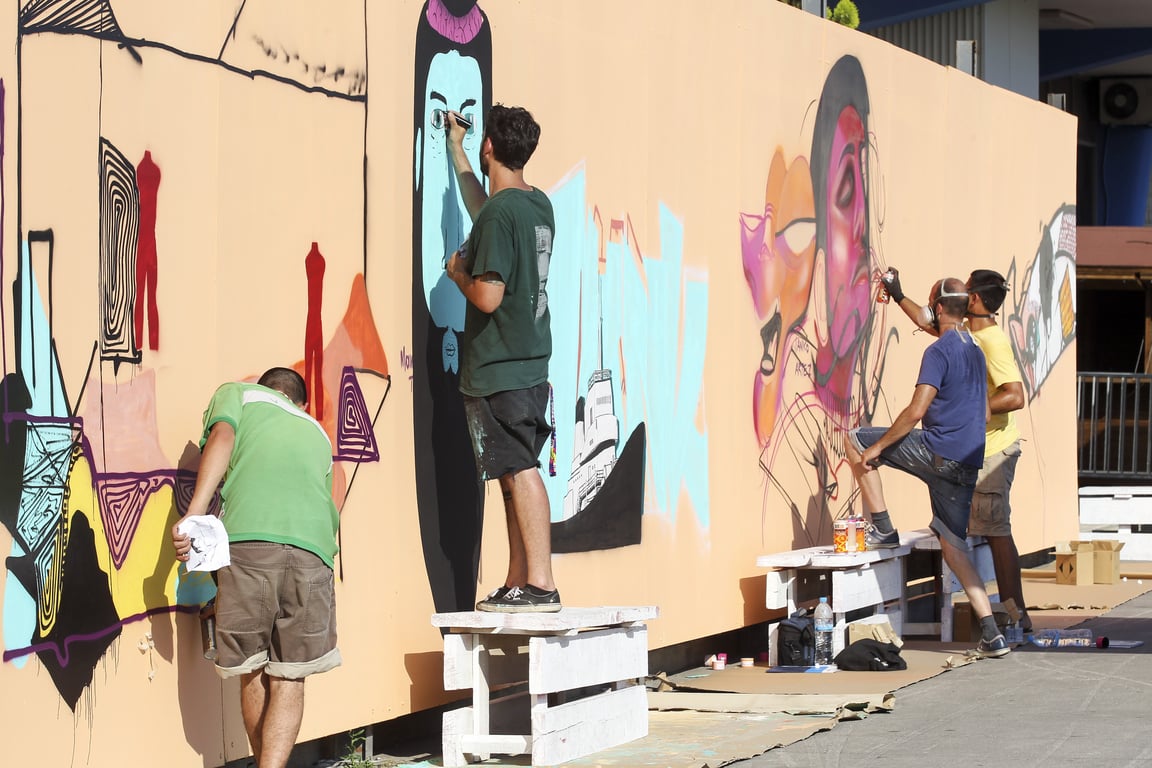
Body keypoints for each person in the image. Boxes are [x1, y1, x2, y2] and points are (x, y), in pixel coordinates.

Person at [171, 367, 341, 768]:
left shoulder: (239, 394)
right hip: (314, 553)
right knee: (290, 674)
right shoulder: (318, 432)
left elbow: (222, 437)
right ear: (300, 403)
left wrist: (194, 515)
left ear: (267, 390)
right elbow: (332, 501)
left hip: (252, 544)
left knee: (251, 668)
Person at [844, 278, 1010, 658]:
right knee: (954, 548)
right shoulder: (975, 349)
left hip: (937, 453)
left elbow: (916, 411)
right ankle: (991, 634)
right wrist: (897, 293)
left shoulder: (937, 352)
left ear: (937, 309)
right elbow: (985, 413)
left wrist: (878, 448)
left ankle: (883, 529)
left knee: (857, 441)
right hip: (968, 463)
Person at [444, 104, 560, 613]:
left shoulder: (499, 214)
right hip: (528, 363)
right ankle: (520, 580)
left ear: (489, 146)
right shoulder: (535, 204)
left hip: (500, 369)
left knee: (521, 470)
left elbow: (488, 296)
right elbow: (484, 207)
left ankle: (542, 584)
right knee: (513, 474)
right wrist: (456, 150)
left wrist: (457, 274)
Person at [882, 267, 1031, 632]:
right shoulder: (965, 336)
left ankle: (1017, 616)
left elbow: (1015, 395)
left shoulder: (990, 342)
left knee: (996, 531)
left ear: (973, 299)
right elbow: (929, 319)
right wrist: (897, 293)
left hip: (994, 450)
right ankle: (1006, 616)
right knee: (979, 530)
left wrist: (974, 407)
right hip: (972, 448)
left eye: (965, 291)